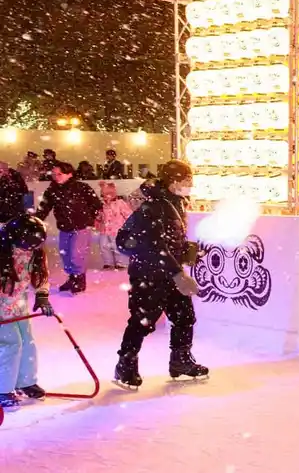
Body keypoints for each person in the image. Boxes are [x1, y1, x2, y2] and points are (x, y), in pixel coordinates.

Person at [113, 160, 206, 389]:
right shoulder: (154, 205)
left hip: (168, 271)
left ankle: (181, 360)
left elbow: (169, 239)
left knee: (184, 316)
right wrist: (178, 274)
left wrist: (185, 251)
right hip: (148, 273)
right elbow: (154, 245)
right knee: (142, 321)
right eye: (187, 179)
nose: (191, 184)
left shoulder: (174, 202)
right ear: (174, 181)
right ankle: (126, 365)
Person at [0, 214, 55, 411]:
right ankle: (3, 388)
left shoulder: (35, 252)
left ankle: (25, 381)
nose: (30, 250)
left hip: (18, 304)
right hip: (0, 307)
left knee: (27, 341)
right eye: (27, 245)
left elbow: (41, 274)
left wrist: (42, 295)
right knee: (10, 344)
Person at [35, 161, 102, 294]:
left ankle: (79, 280)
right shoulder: (52, 190)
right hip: (64, 227)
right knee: (65, 254)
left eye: (59, 174)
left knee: (77, 254)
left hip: (81, 226)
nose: (56, 177)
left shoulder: (82, 187)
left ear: (69, 174)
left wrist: (89, 219)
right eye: (54, 174)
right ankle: (72, 278)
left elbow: (96, 204)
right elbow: (44, 207)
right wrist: (36, 220)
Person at [96, 184, 132, 271]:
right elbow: (100, 216)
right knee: (104, 245)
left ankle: (121, 262)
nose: (104, 197)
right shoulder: (102, 205)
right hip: (104, 230)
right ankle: (108, 262)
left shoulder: (120, 203)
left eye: (106, 195)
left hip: (117, 229)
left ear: (112, 194)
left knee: (117, 246)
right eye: (102, 195)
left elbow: (128, 214)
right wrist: (98, 217)